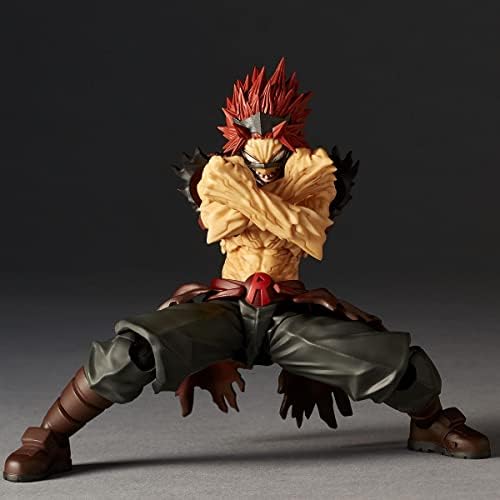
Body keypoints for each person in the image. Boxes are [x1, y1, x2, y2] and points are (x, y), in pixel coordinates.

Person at [4, 57, 490, 483]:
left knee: (398, 364)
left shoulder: (312, 171)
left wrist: (239, 192)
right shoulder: (218, 172)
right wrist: (276, 207)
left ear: (291, 127)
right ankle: (50, 437)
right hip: (227, 308)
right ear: (234, 128)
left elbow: (309, 235)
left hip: (288, 313)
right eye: (250, 128)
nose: (261, 138)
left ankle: (430, 422)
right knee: (132, 351)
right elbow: (222, 227)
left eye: (272, 128)